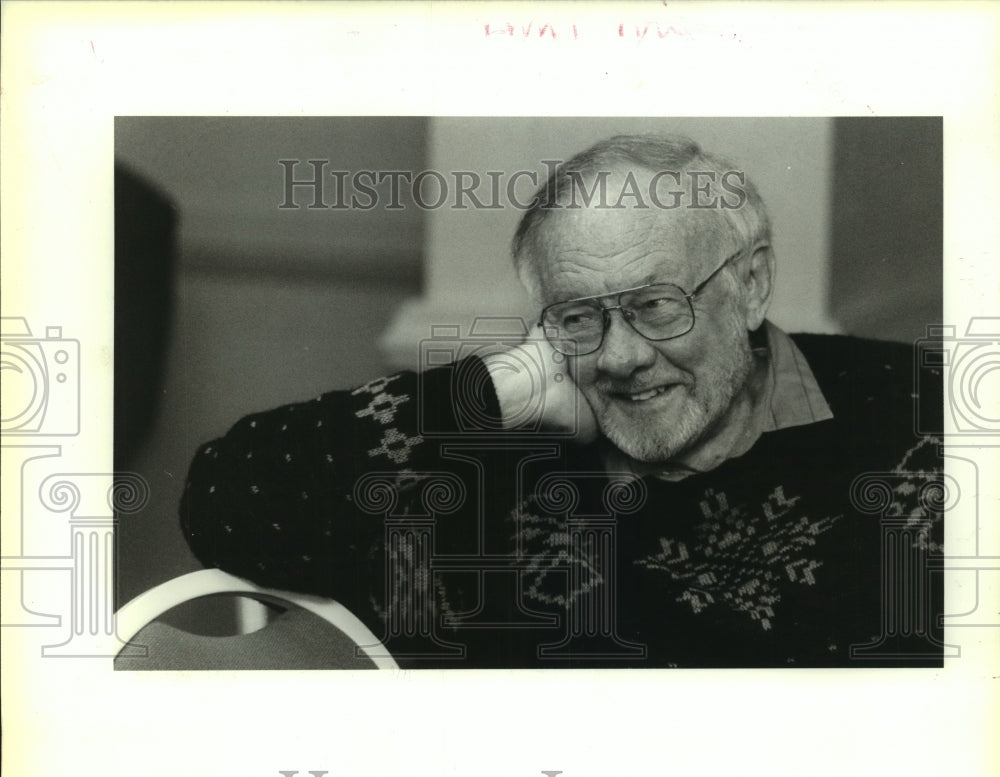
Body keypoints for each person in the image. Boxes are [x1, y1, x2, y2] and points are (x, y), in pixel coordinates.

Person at [180, 134, 945, 668]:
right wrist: (490, 390)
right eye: (579, 317)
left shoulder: (918, 415)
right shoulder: (490, 469)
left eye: (655, 305)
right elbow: (228, 503)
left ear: (749, 285)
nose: (617, 356)